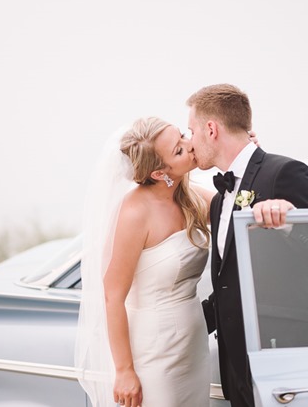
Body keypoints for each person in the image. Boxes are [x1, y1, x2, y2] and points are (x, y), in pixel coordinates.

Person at [186, 83, 308, 407]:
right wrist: (178, 328)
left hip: (286, 358)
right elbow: (230, 286)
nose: (190, 141)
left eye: (191, 131)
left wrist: (289, 225)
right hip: (238, 367)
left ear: (211, 129)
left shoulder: (286, 172)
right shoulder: (218, 202)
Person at [75, 117, 215, 407]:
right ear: (158, 173)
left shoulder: (193, 197)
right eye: (178, 150)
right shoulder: (135, 213)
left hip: (193, 346)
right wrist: (125, 371)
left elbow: (238, 213)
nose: (190, 147)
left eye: (183, 136)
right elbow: (113, 296)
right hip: (153, 352)